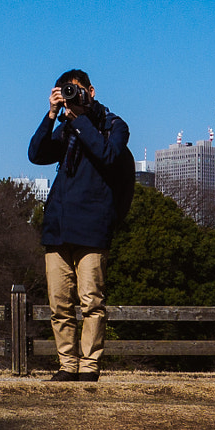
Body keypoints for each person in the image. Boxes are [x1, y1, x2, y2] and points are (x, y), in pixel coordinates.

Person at [26, 68, 131, 381]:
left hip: (92, 227)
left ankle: (89, 367)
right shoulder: (65, 129)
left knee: (91, 302)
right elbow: (36, 154)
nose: (70, 96)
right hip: (58, 226)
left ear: (91, 91)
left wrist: (79, 119)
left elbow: (108, 156)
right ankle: (67, 365)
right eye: (64, 91)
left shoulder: (114, 125)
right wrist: (51, 114)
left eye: (74, 90)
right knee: (59, 304)